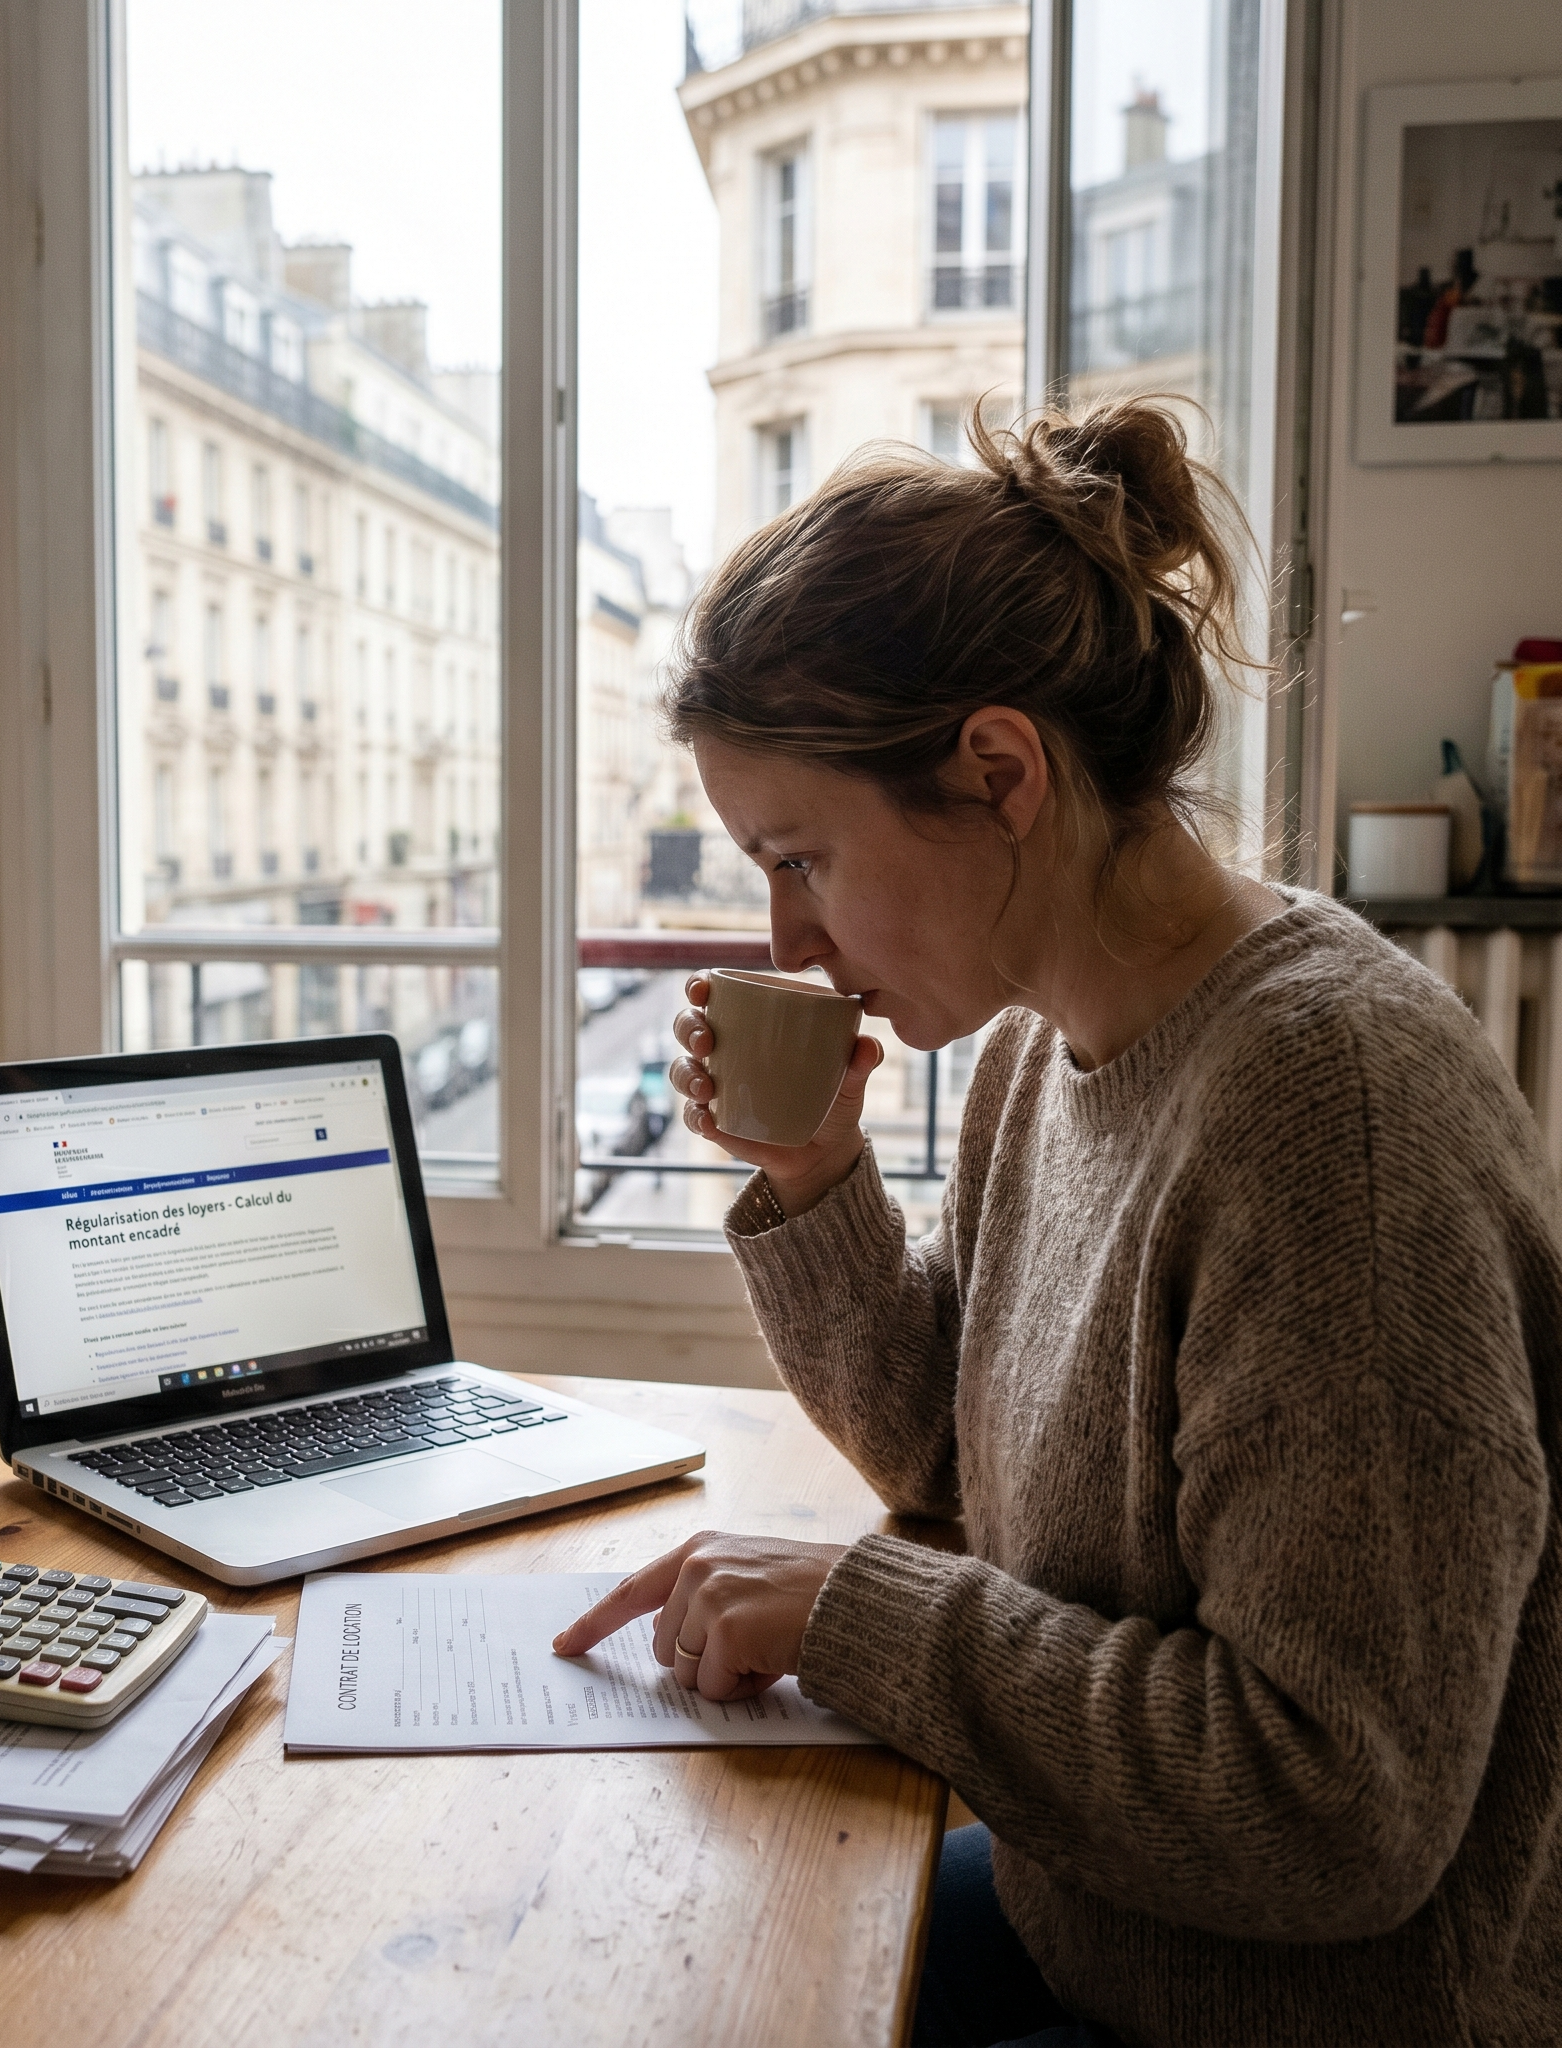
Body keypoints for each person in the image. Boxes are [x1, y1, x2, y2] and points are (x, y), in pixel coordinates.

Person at [551, 399, 1562, 2046]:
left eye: (802, 858)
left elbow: (1336, 1808)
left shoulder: (1332, 1126)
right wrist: (813, 1176)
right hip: (1106, 1917)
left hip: (1318, 2008)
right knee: (675, 1956)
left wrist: (852, 1613)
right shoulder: (1044, 1037)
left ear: (1001, 772)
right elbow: (948, 1457)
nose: (788, 942)